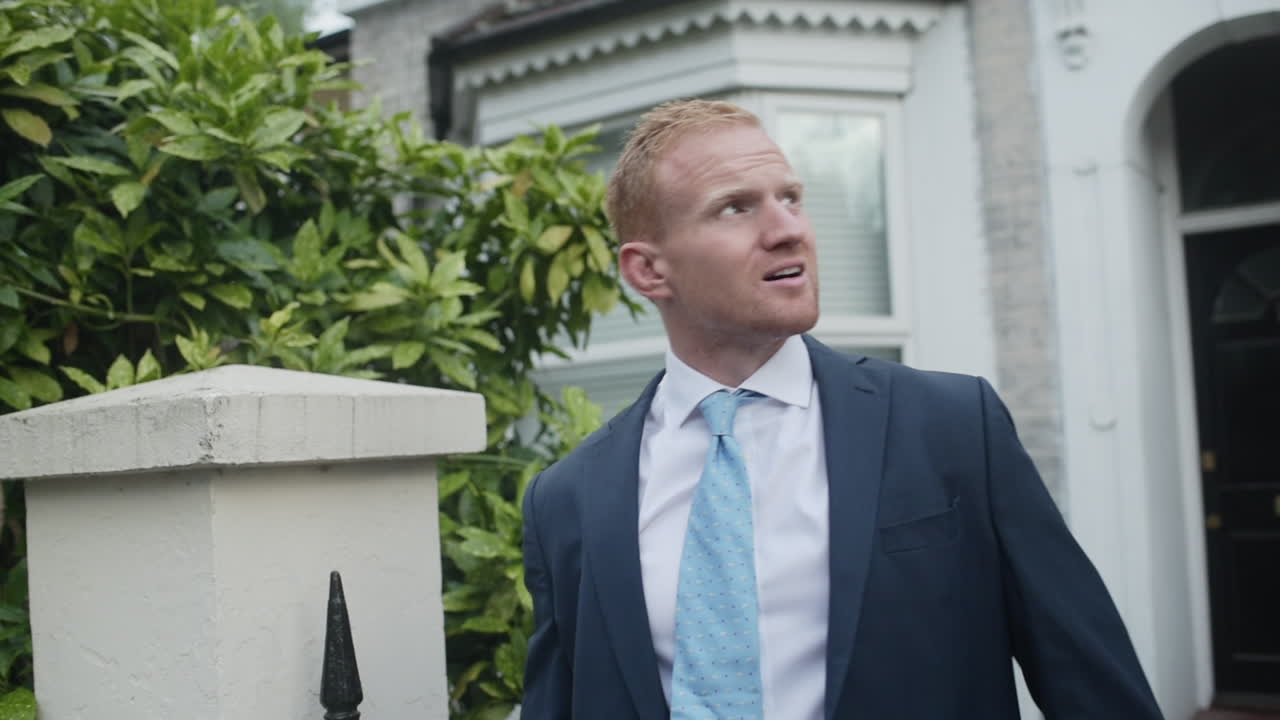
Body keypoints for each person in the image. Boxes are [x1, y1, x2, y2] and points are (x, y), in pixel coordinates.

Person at [520, 99, 1164, 719]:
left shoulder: (954, 428)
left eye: (791, 198)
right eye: (736, 208)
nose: (787, 230)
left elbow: (1091, 683)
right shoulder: (569, 499)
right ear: (648, 271)